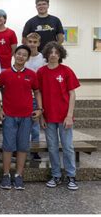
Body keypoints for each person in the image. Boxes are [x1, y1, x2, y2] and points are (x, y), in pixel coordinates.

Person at [0, 45, 42, 190]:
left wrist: (39, 109)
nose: (21, 57)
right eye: (19, 54)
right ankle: (6, 175)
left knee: (23, 146)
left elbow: (37, 92)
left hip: (26, 116)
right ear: (14, 55)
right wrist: (0, 108)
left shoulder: (32, 74)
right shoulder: (5, 74)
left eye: (24, 55)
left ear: (27, 58)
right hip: (9, 115)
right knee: (8, 146)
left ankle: (18, 176)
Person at [38, 42, 80, 190]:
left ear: (60, 54)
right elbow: (39, 94)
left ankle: (71, 176)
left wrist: (69, 116)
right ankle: (56, 175)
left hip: (64, 117)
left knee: (68, 147)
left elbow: (72, 94)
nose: (53, 55)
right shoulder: (41, 72)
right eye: (51, 52)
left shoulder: (66, 71)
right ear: (47, 54)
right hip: (48, 117)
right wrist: (41, 116)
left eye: (56, 52)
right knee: (52, 147)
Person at [24, 32, 46, 161]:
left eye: (34, 42)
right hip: (24, 95)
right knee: (23, 125)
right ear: (26, 42)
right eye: (30, 41)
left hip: (36, 95)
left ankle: (35, 150)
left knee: (35, 125)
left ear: (38, 43)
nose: (32, 44)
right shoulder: (23, 56)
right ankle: (22, 148)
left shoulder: (42, 58)